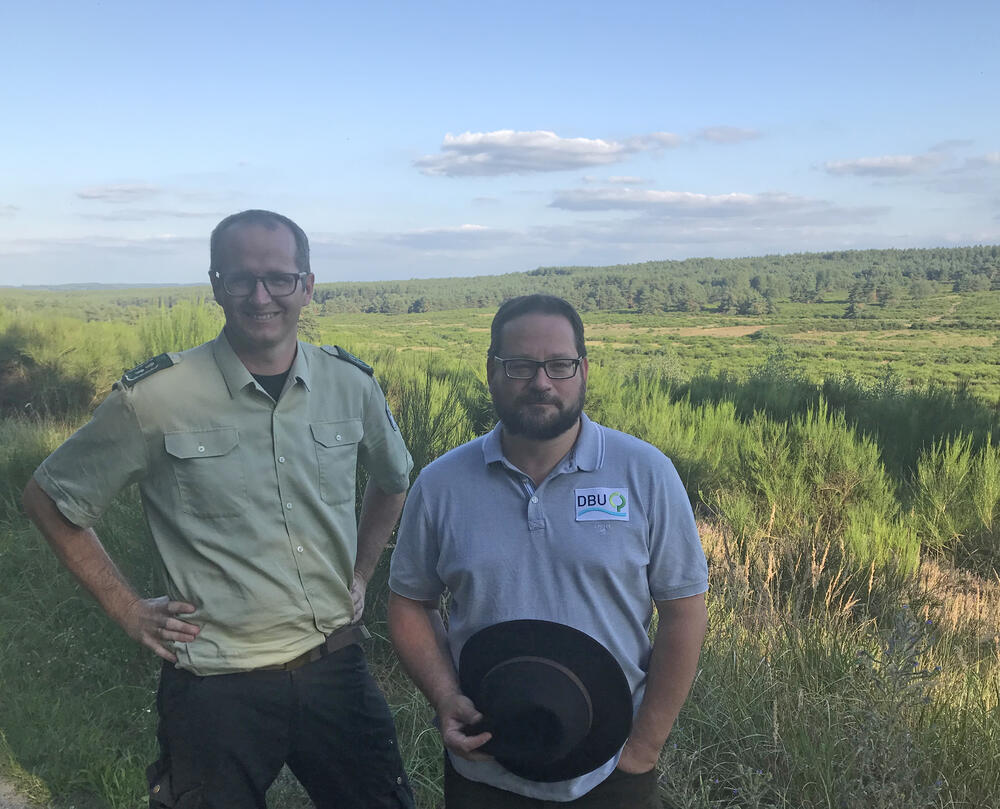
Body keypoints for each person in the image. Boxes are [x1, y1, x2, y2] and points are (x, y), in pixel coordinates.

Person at [23, 210, 416, 809]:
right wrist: (128, 610)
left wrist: (361, 573)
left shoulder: (350, 384)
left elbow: (394, 480)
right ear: (215, 285)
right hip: (215, 685)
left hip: (335, 667)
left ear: (307, 286)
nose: (261, 297)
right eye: (240, 279)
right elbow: (49, 498)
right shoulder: (156, 398)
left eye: (279, 278)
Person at [387, 294, 709, 808]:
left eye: (560, 364)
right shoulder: (441, 484)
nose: (542, 382)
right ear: (491, 371)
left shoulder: (647, 474)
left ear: (584, 370)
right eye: (520, 365)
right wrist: (445, 697)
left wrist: (644, 745)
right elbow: (409, 602)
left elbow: (684, 610)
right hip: (484, 765)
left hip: (610, 772)